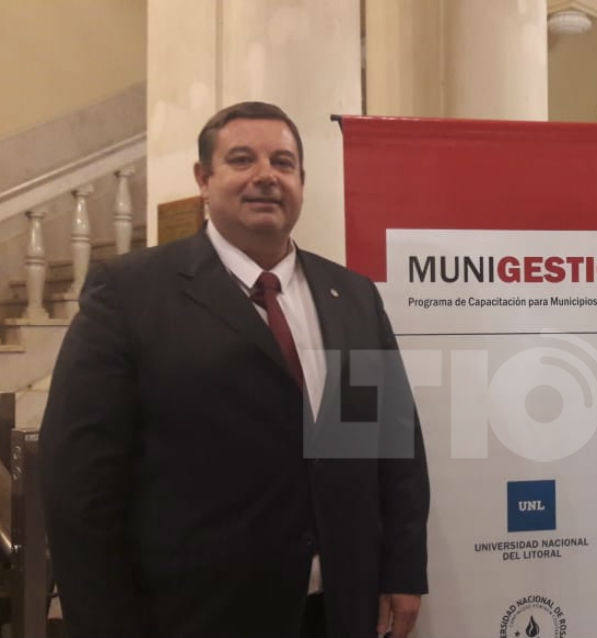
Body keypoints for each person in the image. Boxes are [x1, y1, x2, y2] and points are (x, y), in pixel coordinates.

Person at [40, 101, 429, 637]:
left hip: (339, 607)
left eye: (283, 163)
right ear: (204, 179)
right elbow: (79, 487)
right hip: (197, 615)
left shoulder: (351, 297)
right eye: (242, 160)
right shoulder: (131, 294)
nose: (266, 176)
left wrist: (402, 570)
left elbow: (387, 446)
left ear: (301, 181)